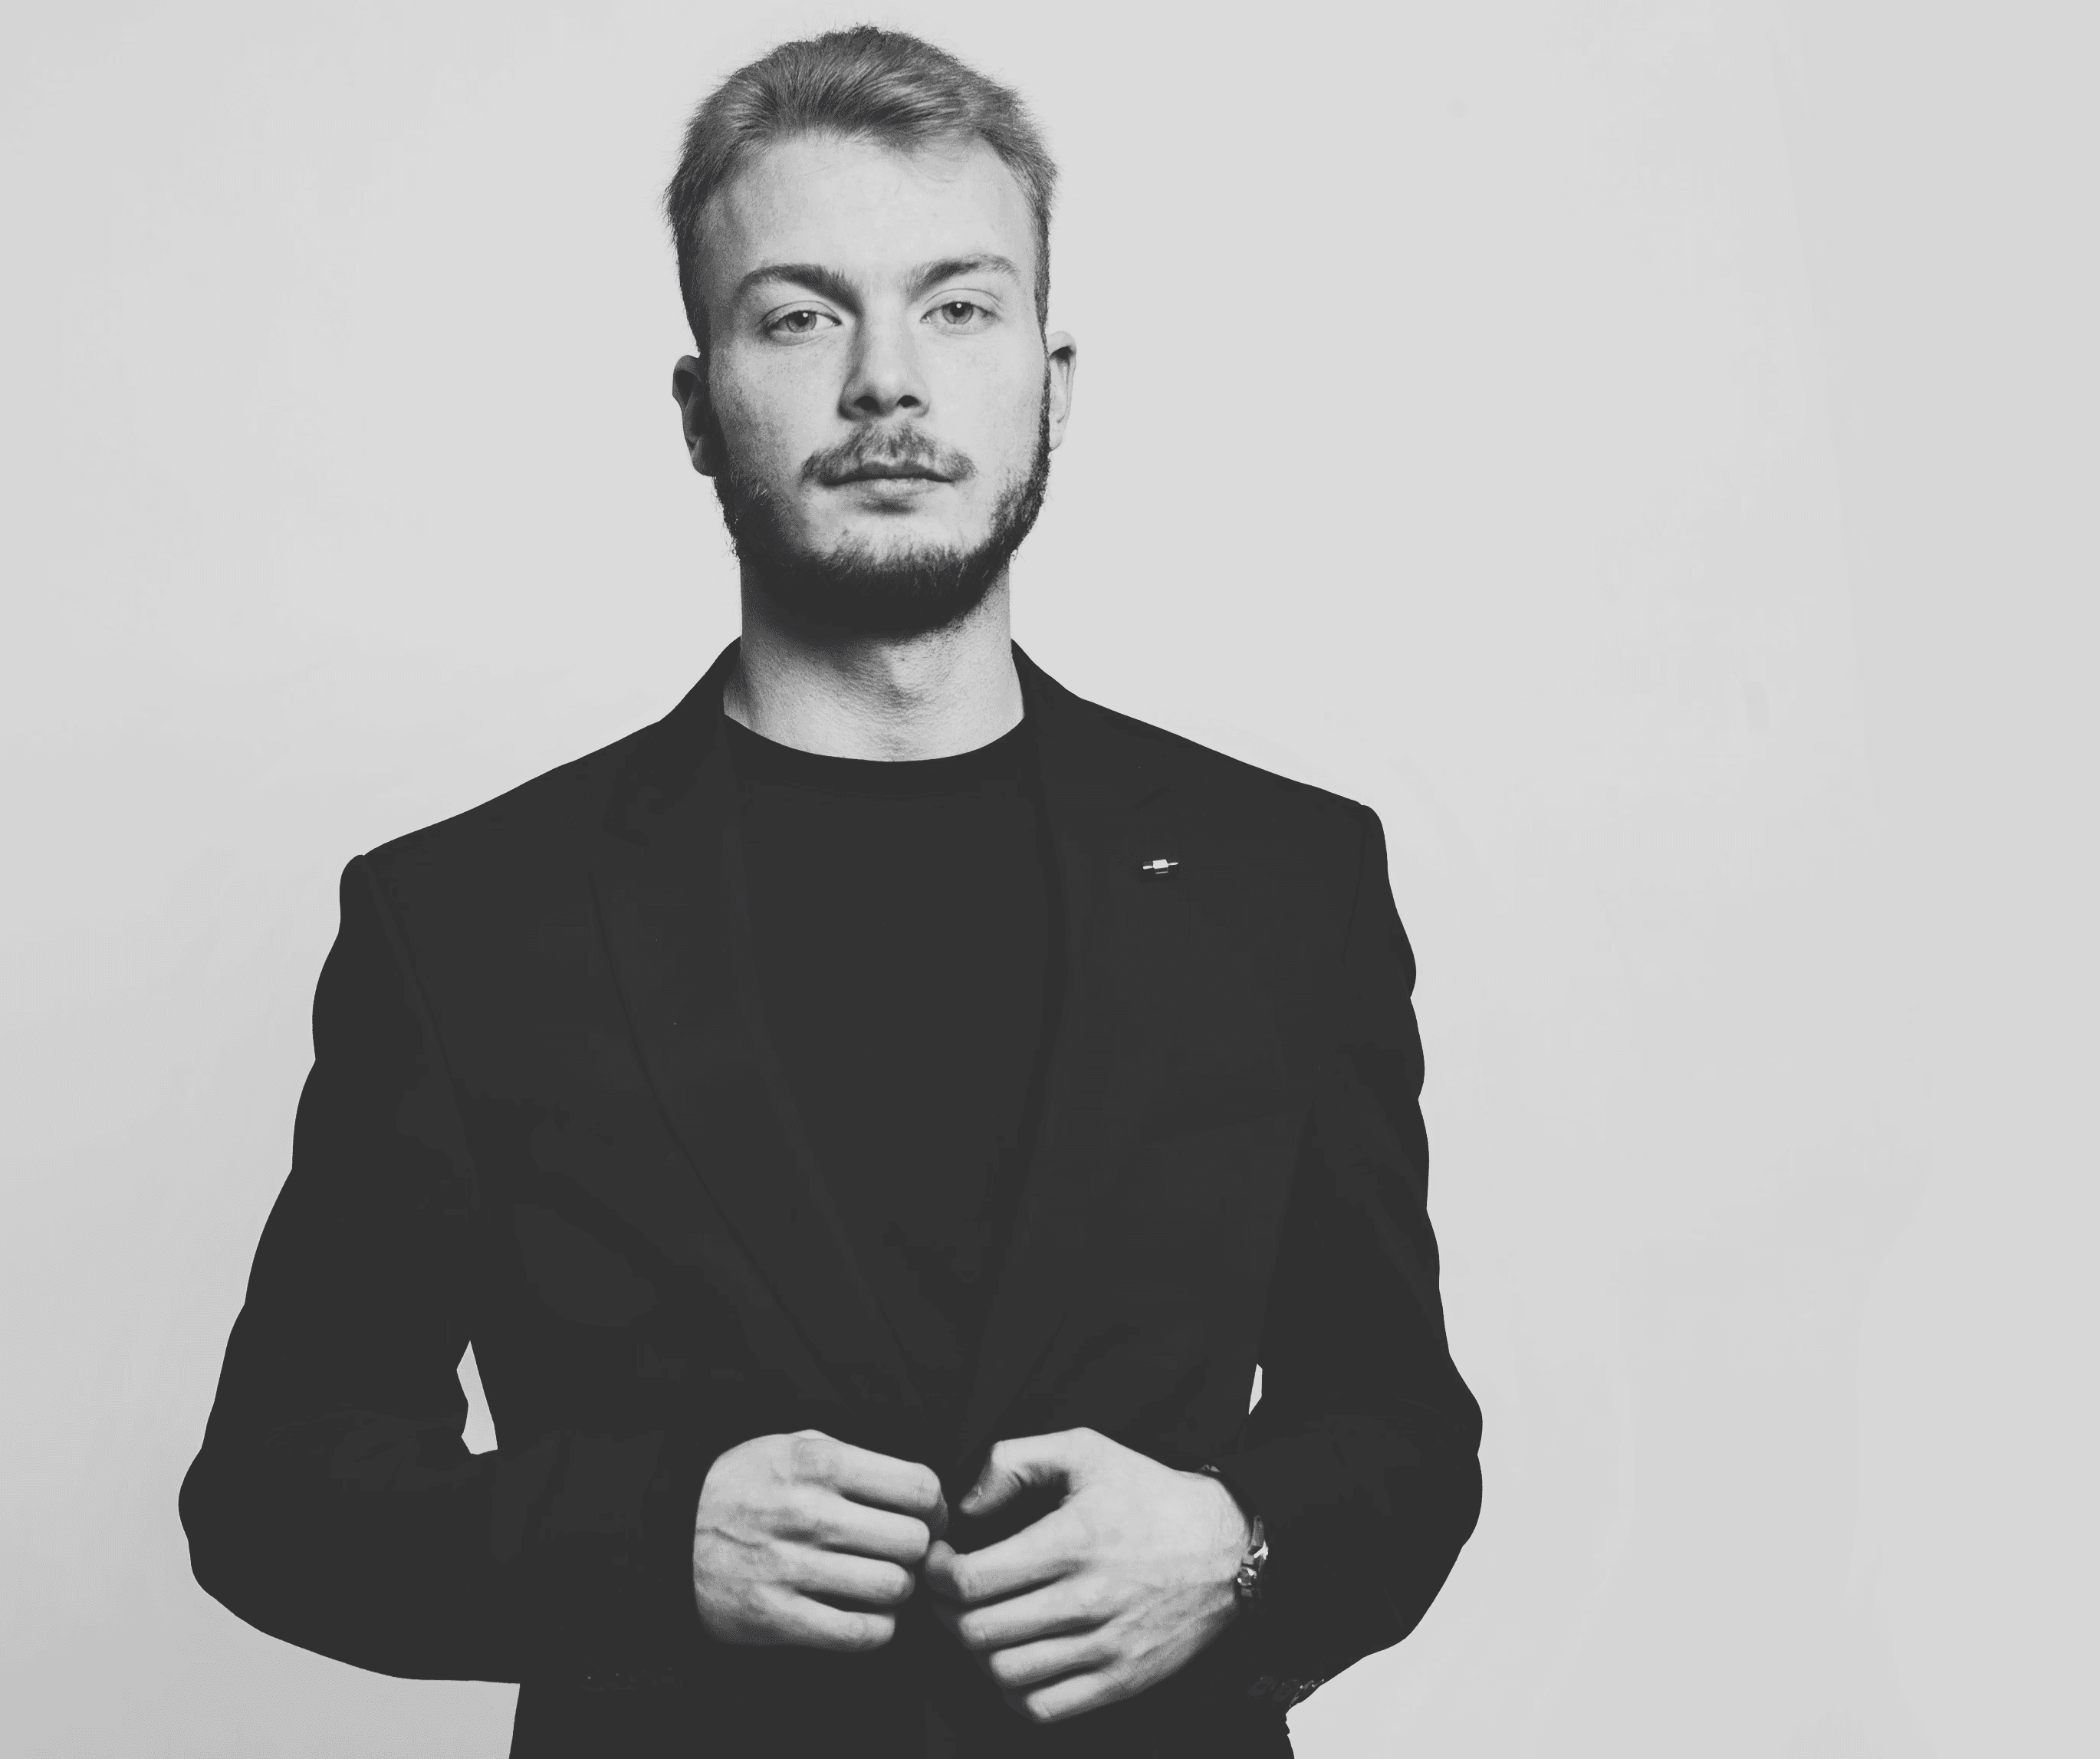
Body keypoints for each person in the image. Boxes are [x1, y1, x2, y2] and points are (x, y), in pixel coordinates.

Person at [180, 27, 1482, 1757]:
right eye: (800, 316)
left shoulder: (1283, 882)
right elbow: (272, 1491)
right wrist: (644, 1544)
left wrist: (1242, 1542)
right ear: (698, 405)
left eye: (959, 306)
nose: (888, 383)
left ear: (1053, 381)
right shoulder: (468, 920)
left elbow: (1400, 1429)